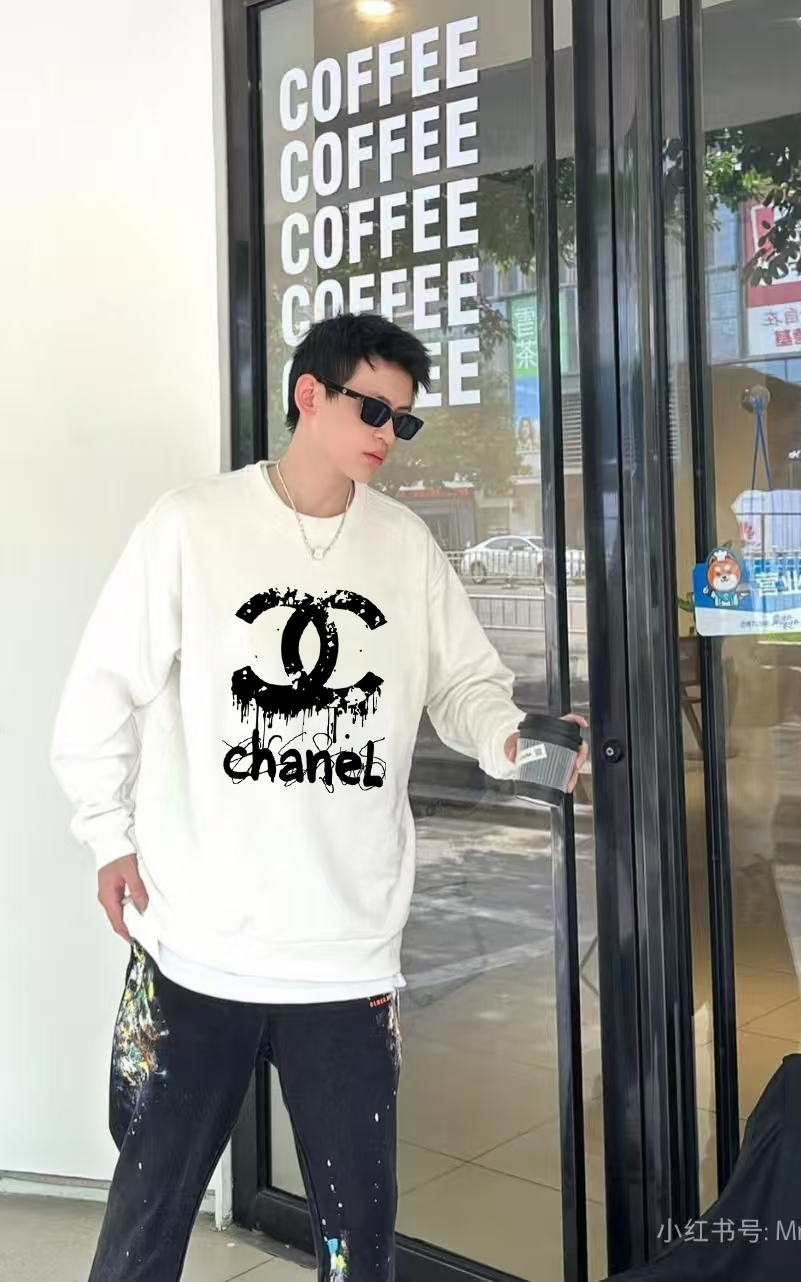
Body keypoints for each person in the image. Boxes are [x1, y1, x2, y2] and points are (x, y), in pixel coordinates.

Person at [49, 312, 589, 1282]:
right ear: (309, 394)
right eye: (373, 409)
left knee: (359, 1243)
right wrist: (106, 833)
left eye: (404, 421)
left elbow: (465, 686)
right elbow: (101, 689)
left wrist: (510, 740)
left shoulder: (406, 548)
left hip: (345, 958)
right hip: (197, 943)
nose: (389, 434)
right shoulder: (192, 525)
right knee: (144, 1225)